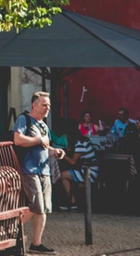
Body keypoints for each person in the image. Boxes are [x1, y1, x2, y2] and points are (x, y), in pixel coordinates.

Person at [13, 91, 65, 254]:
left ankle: (36, 243)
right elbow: (18, 139)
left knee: (44, 209)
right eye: (44, 105)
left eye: (49, 105)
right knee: (36, 207)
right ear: (34, 105)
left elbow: (44, 147)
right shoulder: (24, 119)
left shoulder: (43, 124)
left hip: (45, 170)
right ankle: (9, 230)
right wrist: (38, 140)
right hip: (29, 170)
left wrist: (54, 151)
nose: (47, 108)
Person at [58, 127, 98, 211]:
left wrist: (62, 155)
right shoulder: (83, 141)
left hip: (90, 172)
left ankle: (72, 201)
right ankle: (72, 200)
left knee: (63, 175)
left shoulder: (80, 143)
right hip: (86, 169)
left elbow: (73, 162)